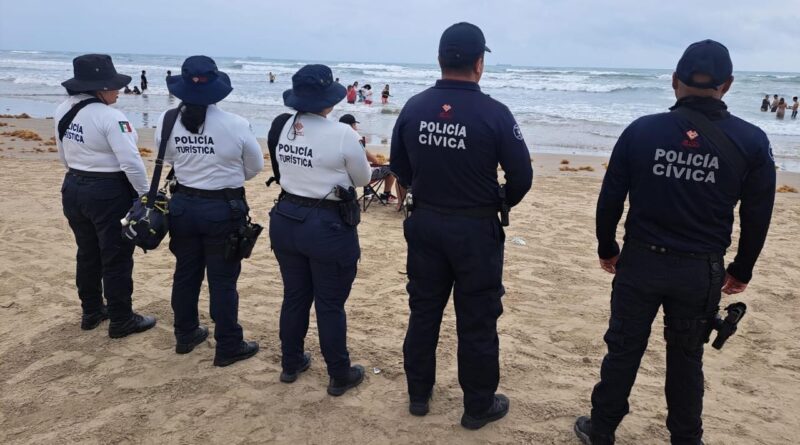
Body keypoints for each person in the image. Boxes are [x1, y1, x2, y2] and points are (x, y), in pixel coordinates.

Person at [573, 40, 776, 445]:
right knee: (686, 358)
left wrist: (606, 247)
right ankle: (686, 439)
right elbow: (758, 215)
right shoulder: (752, 141)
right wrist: (742, 270)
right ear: (727, 85)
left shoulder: (641, 131)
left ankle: (602, 429)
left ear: (674, 81)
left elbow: (610, 197)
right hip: (699, 270)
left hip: (640, 263)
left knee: (623, 349)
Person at [390, 22, 533, 429]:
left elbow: (399, 165)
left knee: (423, 311)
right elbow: (522, 176)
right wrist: (499, 201)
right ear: (479, 63)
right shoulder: (495, 113)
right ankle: (477, 406)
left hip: (426, 222)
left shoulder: (414, 107)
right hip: (474, 230)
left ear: (439, 59)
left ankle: (419, 395)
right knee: (477, 320)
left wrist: (426, 188)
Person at [269, 64, 372, 395]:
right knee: (329, 303)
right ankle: (339, 373)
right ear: (329, 100)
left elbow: (280, 166)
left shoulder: (282, 125)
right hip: (326, 223)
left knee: (295, 296)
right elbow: (363, 178)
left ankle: (290, 362)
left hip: (286, 216)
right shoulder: (343, 134)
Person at [156, 56, 264, 367]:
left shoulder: (167, 120)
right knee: (223, 280)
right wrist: (225, 176)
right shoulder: (236, 124)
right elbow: (255, 166)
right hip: (222, 207)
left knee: (186, 273)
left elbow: (168, 158)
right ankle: (228, 344)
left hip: (183, 205)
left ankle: (185, 333)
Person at [55, 54, 156, 337]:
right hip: (107, 192)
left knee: (87, 252)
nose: (119, 90)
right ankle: (121, 319)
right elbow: (131, 162)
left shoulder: (63, 109)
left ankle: (91, 311)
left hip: (73, 186)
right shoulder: (111, 117)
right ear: (99, 88)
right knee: (116, 256)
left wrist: (79, 172)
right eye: (114, 85)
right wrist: (145, 195)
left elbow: (63, 153)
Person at [339, 113, 396, 202]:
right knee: (391, 169)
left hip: (341, 176)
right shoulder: (356, 139)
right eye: (355, 125)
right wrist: (382, 160)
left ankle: (368, 191)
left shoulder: (336, 139)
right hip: (359, 177)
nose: (356, 128)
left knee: (362, 165)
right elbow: (373, 160)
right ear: (352, 125)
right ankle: (386, 195)